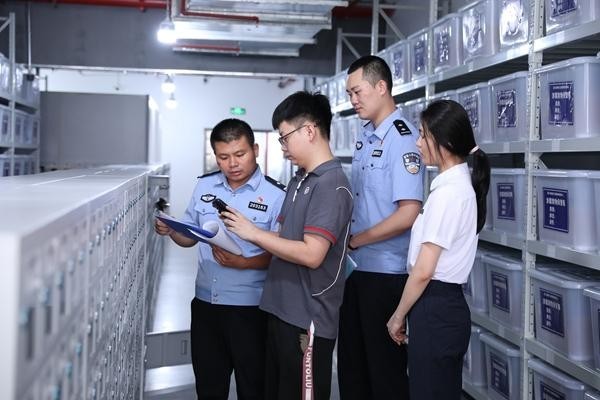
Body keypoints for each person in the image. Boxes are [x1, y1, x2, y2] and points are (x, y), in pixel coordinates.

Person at [221, 91, 353, 400]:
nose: (283, 147)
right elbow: (283, 237)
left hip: (307, 320)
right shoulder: (300, 179)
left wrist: (253, 233)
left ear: (309, 131)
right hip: (280, 309)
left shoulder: (331, 185)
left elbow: (312, 254)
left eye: (284, 137)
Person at [154, 118, 285, 400]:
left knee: (254, 389)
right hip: (206, 306)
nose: (232, 164)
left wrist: (245, 263)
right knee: (209, 388)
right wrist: (172, 230)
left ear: (255, 150)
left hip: (251, 310)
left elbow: (282, 253)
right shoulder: (205, 186)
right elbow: (190, 237)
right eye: (223, 157)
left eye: (240, 154)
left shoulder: (276, 195)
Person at [387, 100, 491, 400]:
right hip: (439, 306)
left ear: (445, 142)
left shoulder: (449, 195)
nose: (418, 143)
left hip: (436, 306)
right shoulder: (453, 189)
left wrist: (397, 316)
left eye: (423, 135)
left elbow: (423, 270)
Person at [338, 55, 423, 399]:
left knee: (384, 373)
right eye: (349, 94)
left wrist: (358, 240)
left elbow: (409, 213)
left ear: (382, 87)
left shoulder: (403, 139)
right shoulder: (366, 135)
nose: (353, 100)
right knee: (352, 367)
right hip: (357, 269)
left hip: (386, 274)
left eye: (357, 92)